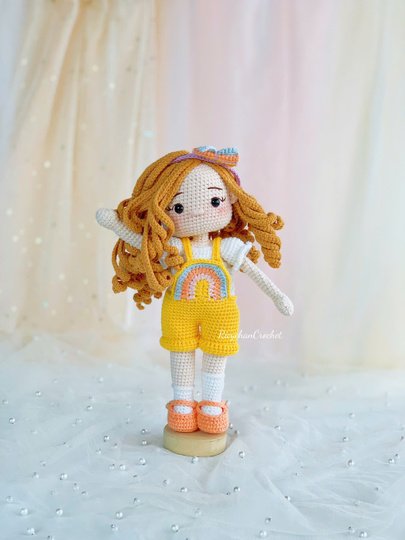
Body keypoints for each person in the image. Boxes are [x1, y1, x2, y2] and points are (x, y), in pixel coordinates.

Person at [96, 146, 293, 435]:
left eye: (214, 200)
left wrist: (277, 295)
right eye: (178, 207)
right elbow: (143, 242)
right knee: (181, 355)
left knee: (216, 357)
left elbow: (254, 272)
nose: (200, 211)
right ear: (162, 207)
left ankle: (212, 403)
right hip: (179, 312)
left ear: (231, 198)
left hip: (221, 314)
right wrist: (116, 225)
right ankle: (183, 403)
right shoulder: (174, 247)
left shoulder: (226, 247)